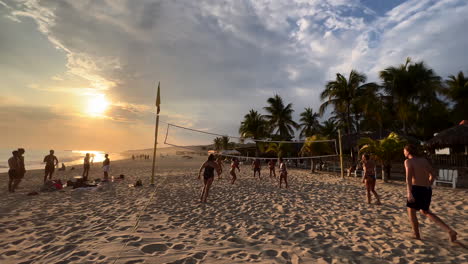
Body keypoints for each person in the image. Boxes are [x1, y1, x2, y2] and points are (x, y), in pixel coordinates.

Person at [404, 144, 458, 242]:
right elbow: (433, 174)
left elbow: (408, 178)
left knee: (411, 213)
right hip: (427, 189)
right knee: (425, 211)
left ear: (408, 151)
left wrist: (409, 193)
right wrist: (428, 184)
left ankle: (416, 235)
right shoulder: (424, 160)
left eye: (404, 150)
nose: (403, 152)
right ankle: (450, 230)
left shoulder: (408, 161)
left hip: (416, 189)